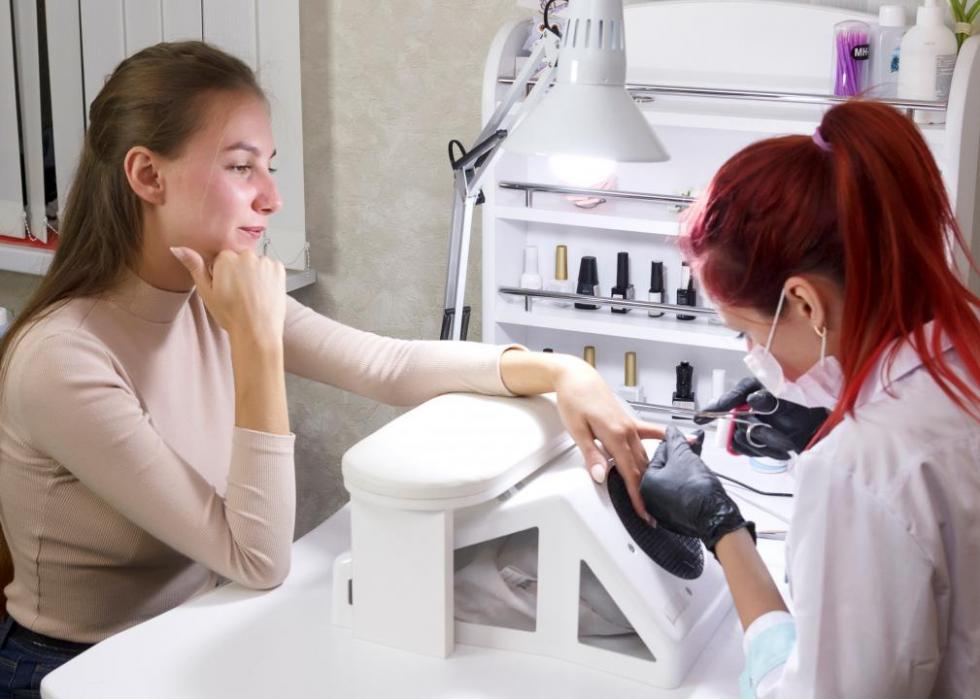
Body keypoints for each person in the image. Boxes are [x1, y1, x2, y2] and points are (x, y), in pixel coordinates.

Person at [0, 41, 665, 694]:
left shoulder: (208, 294)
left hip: (190, 634)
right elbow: (256, 558)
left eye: (269, 167)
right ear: (148, 175)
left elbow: (388, 365)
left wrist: (562, 373)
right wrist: (257, 343)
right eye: (241, 167)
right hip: (71, 670)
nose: (271, 198)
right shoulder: (64, 360)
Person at [639, 99, 980, 697]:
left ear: (805, 304)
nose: (754, 355)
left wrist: (724, 531)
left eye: (746, 333)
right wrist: (842, 410)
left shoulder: (862, 467)